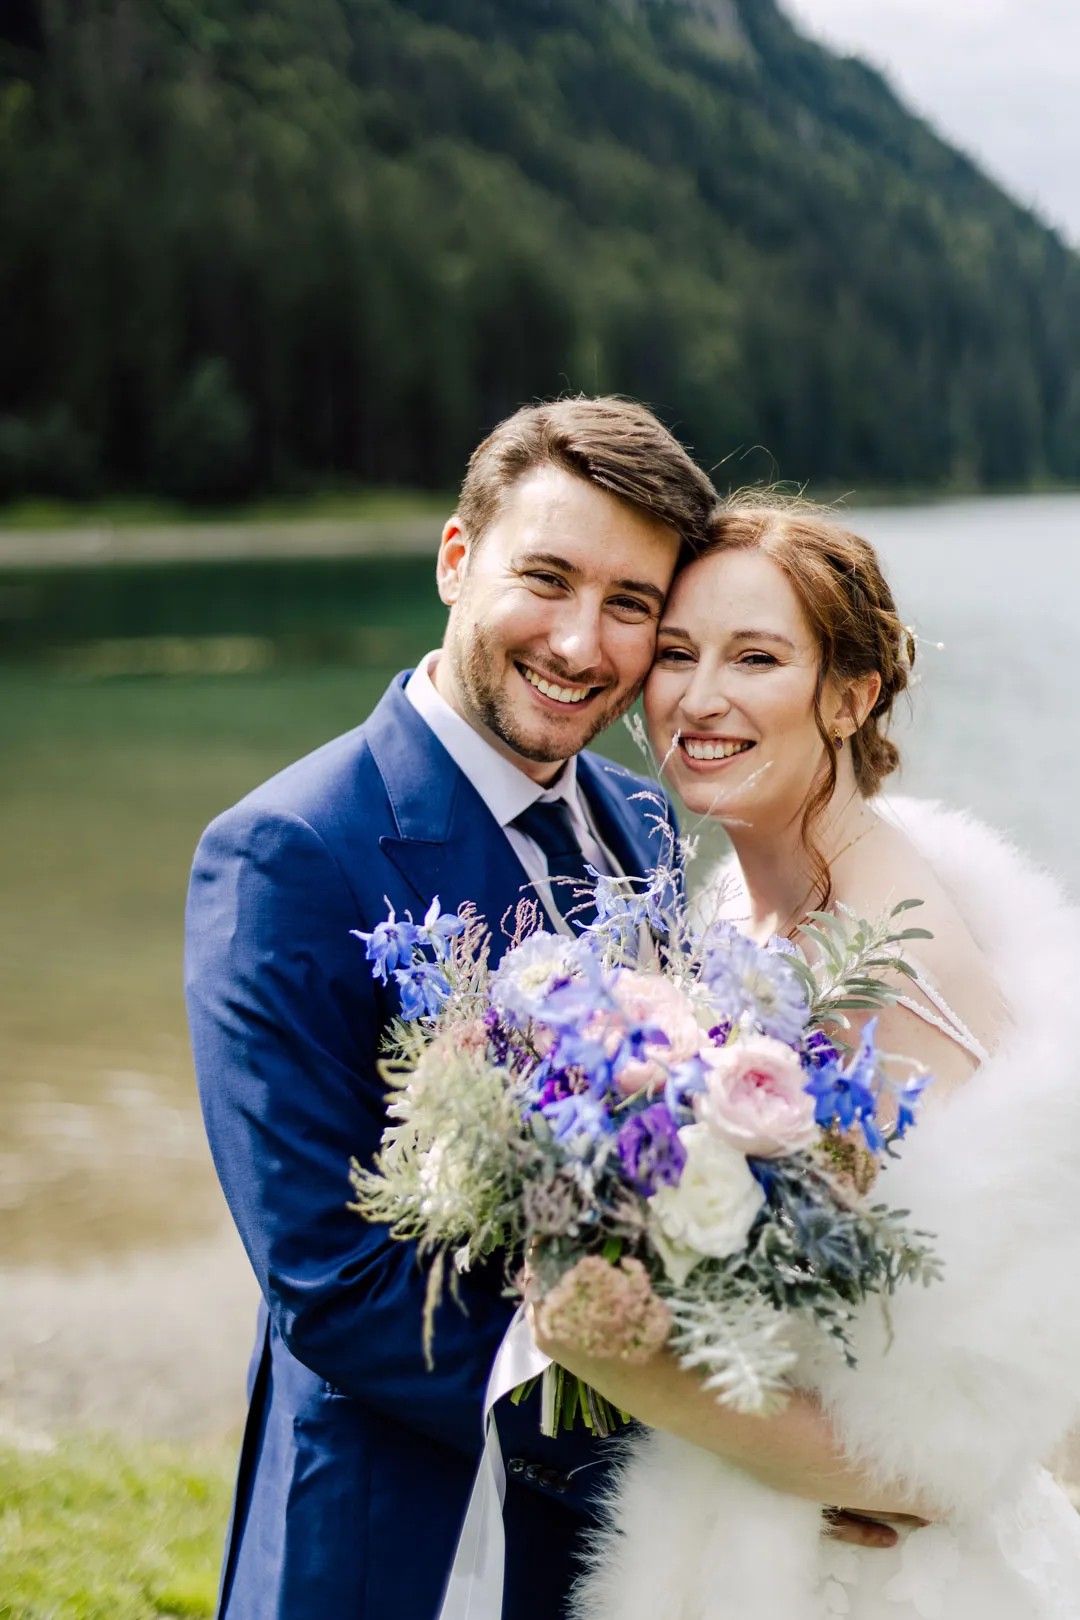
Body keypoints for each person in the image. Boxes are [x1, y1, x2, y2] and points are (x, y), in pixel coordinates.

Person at [183, 395, 719, 1620]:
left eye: (630, 604)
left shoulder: (641, 821)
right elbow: (331, 1279)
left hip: (618, 1554)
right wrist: (687, 1431)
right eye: (548, 579)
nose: (583, 645)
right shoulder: (286, 852)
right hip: (402, 1534)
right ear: (455, 560)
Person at [533, 499, 1080, 1619]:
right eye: (677, 654)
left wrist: (622, 1364)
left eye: (757, 657)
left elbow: (958, 1430)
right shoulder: (736, 904)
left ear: (851, 694)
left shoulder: (892, 959)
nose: (699, 696)